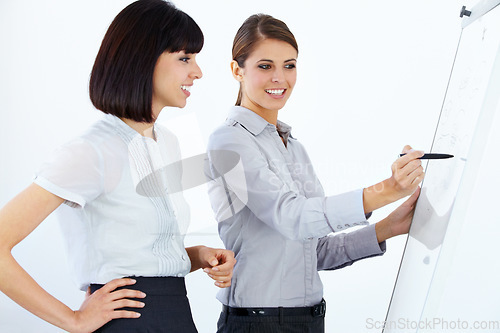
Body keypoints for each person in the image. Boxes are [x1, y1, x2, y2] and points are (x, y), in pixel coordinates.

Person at [0, 1, 235, 332]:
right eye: (185, 58)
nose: (197, 72)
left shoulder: (167, 142)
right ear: (143, 58)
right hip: (127, 323)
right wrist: (73, 320)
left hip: (177, 314)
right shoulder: (90, 151)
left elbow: (139, 249)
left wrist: (198, 255)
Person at [205, 13, 424, 333]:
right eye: (265, 66)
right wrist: (386, 190)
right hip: (258, 323)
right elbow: (291, 217)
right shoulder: (228, 141)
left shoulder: (293, 148)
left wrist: (386, 227)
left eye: (289, 65)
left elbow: (315, 249)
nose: (280, 78)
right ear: (237, 70)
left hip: (308, 319)